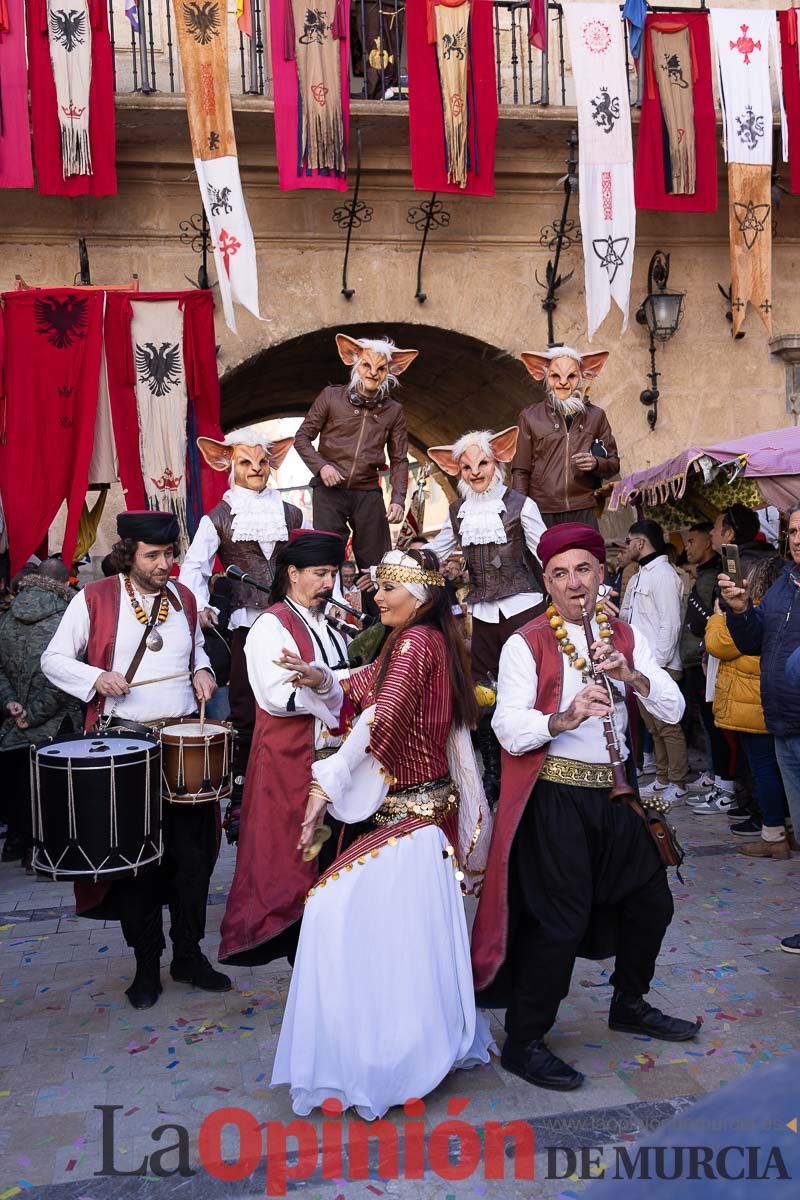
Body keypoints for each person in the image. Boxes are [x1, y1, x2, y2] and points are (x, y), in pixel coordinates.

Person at [471, 522, 698, 1092]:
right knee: (559, 922)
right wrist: (564, 718)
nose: (574, 583)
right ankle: (525, 1039)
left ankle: (630, 1002)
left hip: (618, 796)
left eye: (584, 570)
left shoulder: (625, 634)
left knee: (653, 903)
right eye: (560, 574)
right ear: (546, 582)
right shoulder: (527, 642)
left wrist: (633, 677)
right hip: (557, 797)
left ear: (601, 572)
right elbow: (506, 724)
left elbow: (672, 710)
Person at [271, 548, 494, 1119]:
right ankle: (402, 1042)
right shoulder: (415, 639)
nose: (376, 595)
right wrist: (320, 675)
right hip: (419, 816)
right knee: (401, 932)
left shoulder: (419, 643)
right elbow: (362, 686)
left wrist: (327, 784)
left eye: (387, 587)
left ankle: (385, 1056)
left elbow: (383, 721)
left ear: (417, 593)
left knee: (333, 911)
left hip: (414, 820)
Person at [41, 511, 227, 1010]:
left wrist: (202, 671)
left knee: (194, 861)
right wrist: (96, 679)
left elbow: (198, 650)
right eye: (154, 556)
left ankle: (188, 955)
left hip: (184, 744)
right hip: (127, 749)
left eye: (171, 555)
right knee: (138, 864)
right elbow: (53, 659)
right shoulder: (95, 598)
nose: (165, 564)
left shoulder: (184, 598)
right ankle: (147, 963)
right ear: (129, 554)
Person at [219, 529, 351, 967]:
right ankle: (303, 963)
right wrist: (334, 691)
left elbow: (344, 677)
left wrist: (336, 684)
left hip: (331, 767)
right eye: (319, 573)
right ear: (292, 574)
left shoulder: (328, 623)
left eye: (333, 573)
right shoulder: (271, 624)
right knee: (292, 863)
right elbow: (279, 696)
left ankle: (327, 957)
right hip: (288, 765)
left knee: (329, 860)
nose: (329, 583)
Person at [180, 429, 301, 843]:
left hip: (290, 621)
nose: (255, 470)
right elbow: (193, 568)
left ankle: (295, 781)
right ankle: (243, 793)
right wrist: (203, 606)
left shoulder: (292, 514)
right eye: (246, 463)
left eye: (262, 463)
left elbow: (311, 560)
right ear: (229, 464)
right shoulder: (218, 516)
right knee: (246, 708)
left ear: (272, 464)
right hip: (246, 624)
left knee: (294, 699)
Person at [426, 427, 546, 804]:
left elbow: (546, 549)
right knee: (484, 694)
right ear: (456, 470)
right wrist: (392, 565)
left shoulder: (520, 504)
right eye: (466, 467)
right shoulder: (457, 512)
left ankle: (537, 769)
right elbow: (435, 549)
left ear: (498, 463)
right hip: (482, 615)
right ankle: (494, 772)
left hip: (524, 608)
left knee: (528, 688)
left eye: (483, 463)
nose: (476, 472)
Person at [720, 502, 800, 951]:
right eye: (792, 531)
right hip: (784, 726)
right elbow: (752, 641)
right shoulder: (784, 584)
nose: (797, 538)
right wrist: (739, 609)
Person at [294, 333, 418, 582]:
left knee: (378, 563)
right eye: (366, 365)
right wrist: (322, 467)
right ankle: (326, 616)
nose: (373, 373)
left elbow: (399, 459)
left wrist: (397, 499)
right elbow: (302, 438)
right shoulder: (331, 396)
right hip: (329, 491)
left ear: (392, 370)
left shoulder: (394, 411)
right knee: (326, 557)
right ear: (352, 360)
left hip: (367, 491)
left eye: (381, 368)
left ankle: (379, 619)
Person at [705, 557, 790, 852]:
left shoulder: (756, 613)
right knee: (775, 768)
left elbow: (719, 644)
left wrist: (717, 616)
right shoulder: (778, 610)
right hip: (763, 702)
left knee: (763, 769)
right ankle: (782, 827)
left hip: (752, 706)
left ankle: (773, 832)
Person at [0, 560, 82, 867]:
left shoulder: (7, 617)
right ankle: (47, 854)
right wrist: (33, 714)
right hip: (58, 723)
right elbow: (65, 679)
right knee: (55, 792)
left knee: (21, 785)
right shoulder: (66, 617)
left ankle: (18, 844)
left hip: (15, 721)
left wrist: (11, 704)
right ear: (64, 583)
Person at [620, 520, 689, 806]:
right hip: (641, 666)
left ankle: (678, 781)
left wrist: (657, 668)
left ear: (640, 543)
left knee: (668, 725)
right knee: (653, 727)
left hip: (659, 665)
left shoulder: (662, 574)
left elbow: (670, 623)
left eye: (628, 541)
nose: (625, 548)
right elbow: (626, 616)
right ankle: (661, 778)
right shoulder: (638, 576)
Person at [512, 346, 620, 528]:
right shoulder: (529, 416)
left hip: (584, 508)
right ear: (543, 375)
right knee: (545, 558)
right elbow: (520, 471)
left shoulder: (596, 416)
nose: (563, 382)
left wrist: (596, 463)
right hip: (542, 511)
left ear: (584, 376)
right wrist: (520, 513)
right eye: (555, 376)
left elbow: (614, 464)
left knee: (587, 557)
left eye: (571, 376)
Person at [679, 522, 728, 800]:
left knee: (714, 723)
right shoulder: (703, 575)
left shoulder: (716, 576)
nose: (688, 547)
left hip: (706, 660)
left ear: (708, 544)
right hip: (695, 659)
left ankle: (723, 783)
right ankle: (714, 774)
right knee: (708, 723)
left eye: (692, 541)